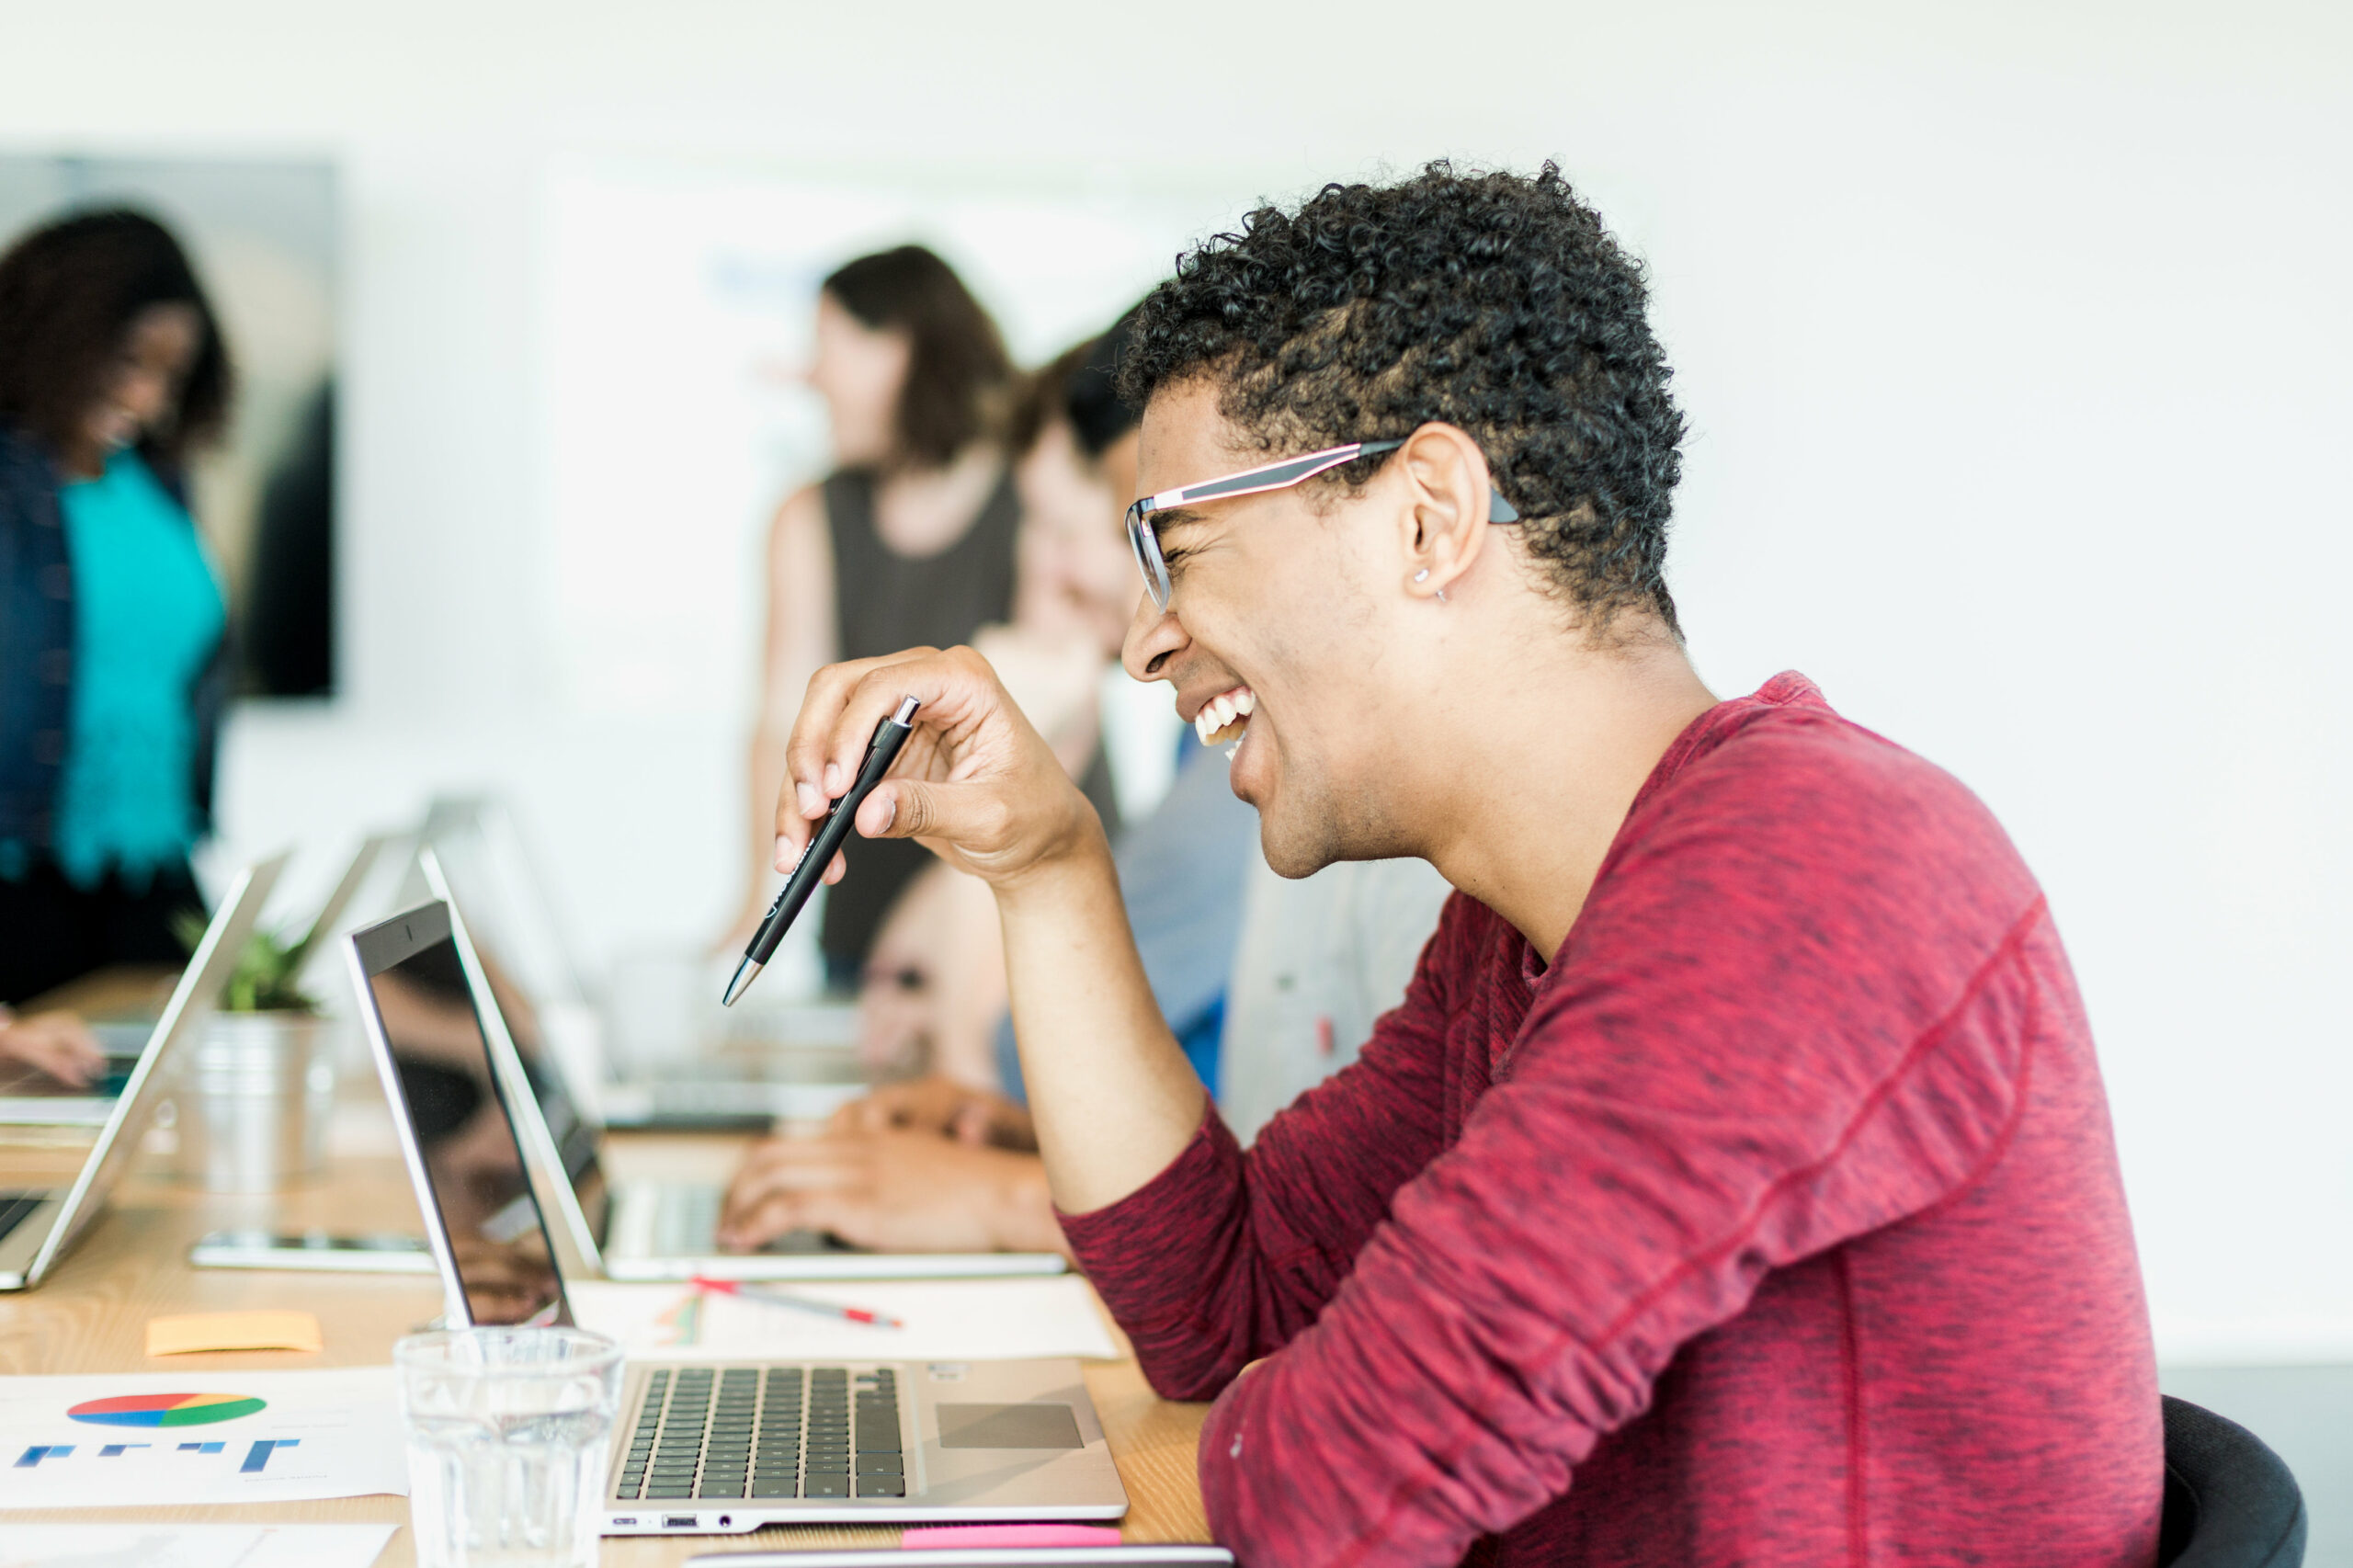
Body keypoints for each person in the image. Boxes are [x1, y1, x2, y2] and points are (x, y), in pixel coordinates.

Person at [751, 165, 2160, 1565]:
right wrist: (1047, 862)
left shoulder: (1804, 870)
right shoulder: (1517, 933)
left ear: (1428, 516)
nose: (1143, 639)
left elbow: (1332, 1483)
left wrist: (1278, 1405)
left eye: (1175, 547)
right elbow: (1216, 1306)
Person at [730, 245, 1019, 986]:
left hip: (1006, 913)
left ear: (906, 349)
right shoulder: (806, 515)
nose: (811, 375)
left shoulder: (1034, 497)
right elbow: (775, 722)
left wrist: (941, 909)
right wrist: (748, 902)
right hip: (861, 927)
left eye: (829, 345)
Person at [0, 209, 233, 1084]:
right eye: (131, 362)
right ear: (54, 327)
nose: (147, 402)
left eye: (171, 377)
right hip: (20, 892)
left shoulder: (159, 482)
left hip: (155, 879)